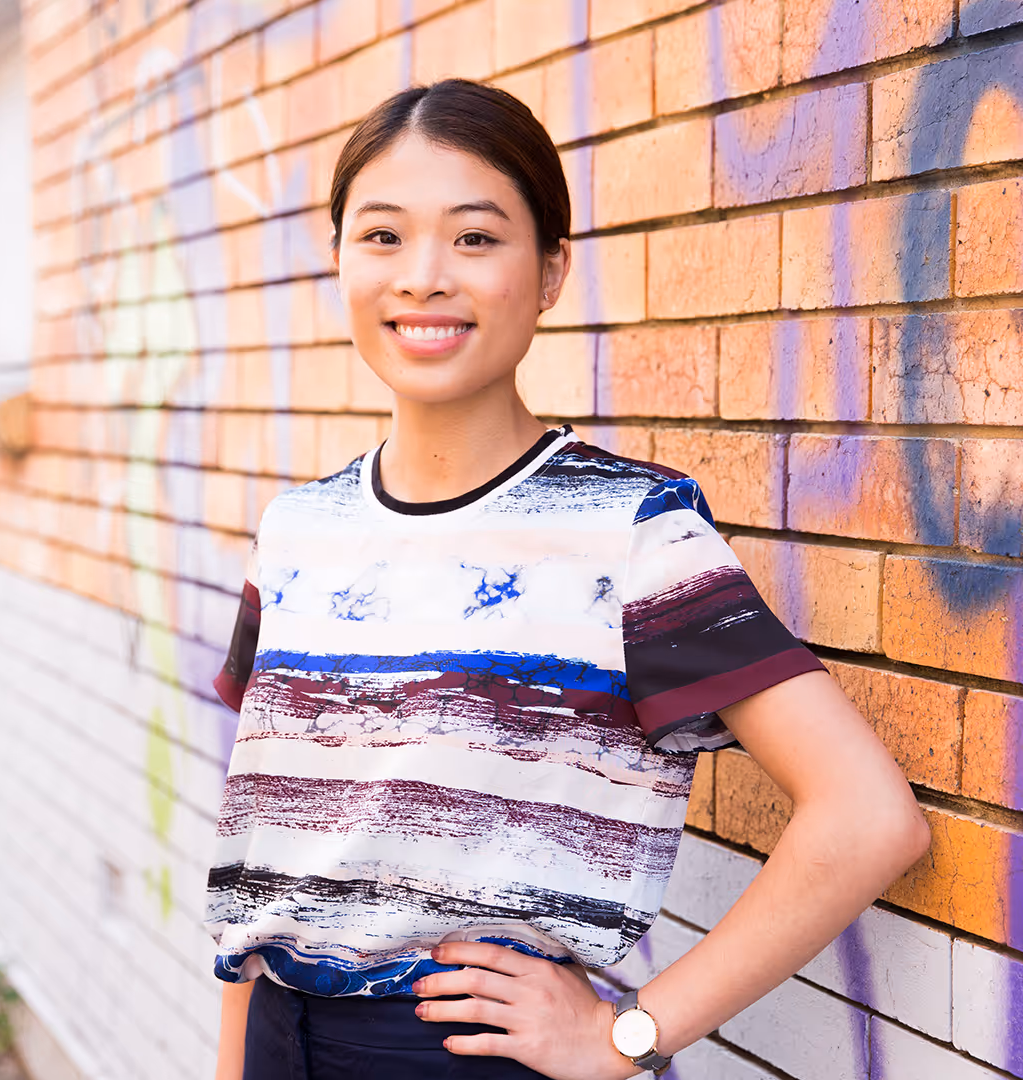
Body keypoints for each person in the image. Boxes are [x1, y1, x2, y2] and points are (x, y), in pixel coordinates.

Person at [207, 78, 930, 1080]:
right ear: (337, 260)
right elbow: (274, 861)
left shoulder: (630, 534)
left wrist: (627, 1033)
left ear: (549, 272)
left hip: (472, 1059)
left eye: (474, 238)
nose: (423, 277)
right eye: (381, 237)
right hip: (280, 1045)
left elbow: (865, 816)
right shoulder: (296, 531)